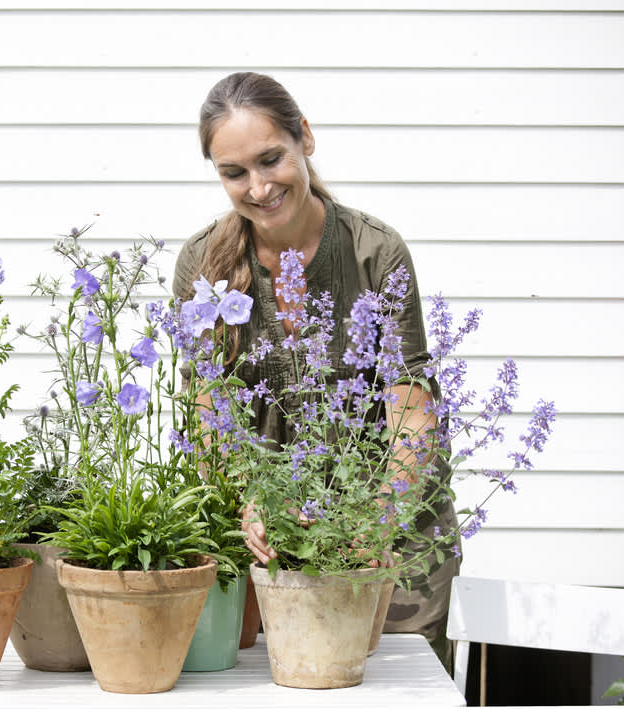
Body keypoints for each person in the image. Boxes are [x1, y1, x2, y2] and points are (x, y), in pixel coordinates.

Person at [172, 71, 460, 671]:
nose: (258, 186)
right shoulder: (204, 263)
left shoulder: (373, 252)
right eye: (234, 172)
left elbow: (410, 409)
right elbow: (206, 411)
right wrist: (245, 500)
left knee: (394, 685)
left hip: (386, 535)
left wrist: (378, 523)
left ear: (305, 137)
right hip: (269, 540)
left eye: (271, 158)